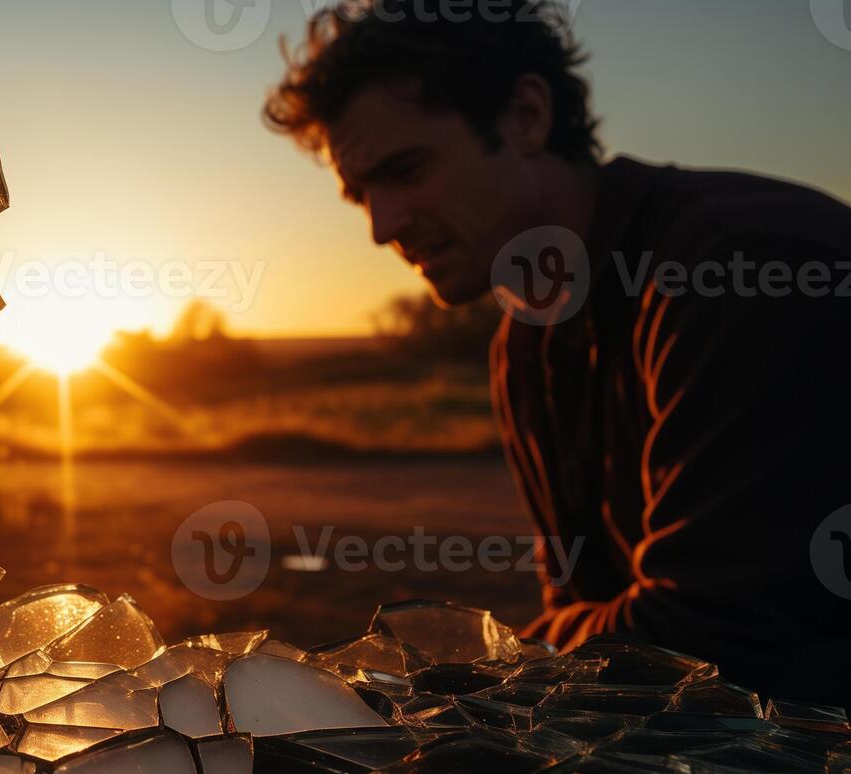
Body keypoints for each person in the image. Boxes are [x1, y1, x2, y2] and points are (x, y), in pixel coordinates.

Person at [264, 0, 851, 704]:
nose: (381, 226)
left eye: (407, 169)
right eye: (361, 194)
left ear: (525, 116)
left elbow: (696, 644)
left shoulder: (739, 266)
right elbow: (589, 606)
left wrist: (484, 677)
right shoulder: (524, 342)